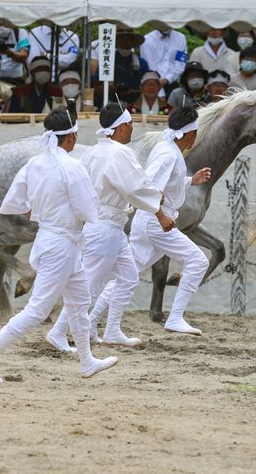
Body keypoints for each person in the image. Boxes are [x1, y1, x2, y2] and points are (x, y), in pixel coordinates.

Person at [0, 109, 119, 381]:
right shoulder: (73, 166)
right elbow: (88, 210)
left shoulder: (34, 164)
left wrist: (36, 212)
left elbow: (11, 204)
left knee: (79, 301)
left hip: (54, 240)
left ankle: (87, 361)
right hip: (62, 244)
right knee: (38, 310)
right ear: (72, 137)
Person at [49, 103, 174, 349]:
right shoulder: (119, 152)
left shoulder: (94, 151)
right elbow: (134, 186)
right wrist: (157, 205)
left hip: (110, 227)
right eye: (129, 125)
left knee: (128, 277)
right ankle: (58, 331)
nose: (131, 130)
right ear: (121, 127)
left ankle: (113, 329)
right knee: (88, 286)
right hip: (104, 228)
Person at [90, 106, 213, 337]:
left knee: (128, 275)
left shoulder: (167, 148)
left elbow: (161, 185)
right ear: (190, 134)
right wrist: (161, 215)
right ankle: (175, 317)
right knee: (198, 261)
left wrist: (190, 181)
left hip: (149, 221)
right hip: (156, 223)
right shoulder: (168, 153)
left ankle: (93, 322)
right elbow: (151, 186)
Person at [91, 30, 148, 105]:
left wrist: (134, 91)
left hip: (135, 105)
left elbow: (149, 89)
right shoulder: (107, 61)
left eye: (128, 39)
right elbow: (96, 88)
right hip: (109, 103)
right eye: (122, 39)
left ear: (133, 42)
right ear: (116, 41)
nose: (125, 42)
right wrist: (108, 89)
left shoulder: (141, 63)